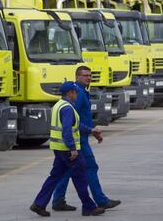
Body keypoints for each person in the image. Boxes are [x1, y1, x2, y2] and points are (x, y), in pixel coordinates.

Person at [30, 81, 105, 217]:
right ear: (71, 93)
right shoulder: (67, 108)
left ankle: (39, 204)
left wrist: (91, 130)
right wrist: (73, 148)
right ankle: (89, 207)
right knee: (80, 176)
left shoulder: (59, 105)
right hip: (67, 150)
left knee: (55, 177)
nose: (76, 94)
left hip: (59, 149)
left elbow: (75, 126)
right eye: (75, 92)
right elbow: (66, 130)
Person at [52, 66, 121, 212]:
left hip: (79, 137)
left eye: (90, 75)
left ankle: (58, 200)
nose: (88, 78)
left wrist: (92, 130)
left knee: (66, 170)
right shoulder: (78, 94)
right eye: (85, 75)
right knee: (90, 167)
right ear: (77, 77)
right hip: (78, 139)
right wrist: (89, 130)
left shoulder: (82, 91)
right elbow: (72, 119)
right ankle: (100, 200)